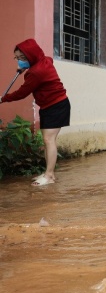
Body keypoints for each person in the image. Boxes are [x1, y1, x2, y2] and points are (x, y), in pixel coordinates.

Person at [0, 39, 70, 186]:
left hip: (56, 106)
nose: (19, 61)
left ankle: (49, 176)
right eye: (17, 58)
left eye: (22, 58)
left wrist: (3, 99)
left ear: (31, 56)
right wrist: (26, 67)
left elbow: (22, 93)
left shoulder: (37, 73)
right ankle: (48, 173)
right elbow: (50, 59)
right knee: (48, 141)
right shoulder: (44, 61)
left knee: (49, 141)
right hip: (50, 105)